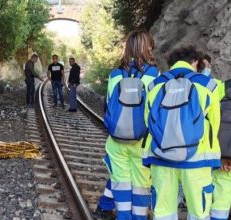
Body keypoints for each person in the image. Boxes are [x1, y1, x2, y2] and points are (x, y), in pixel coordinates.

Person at [143, 46, 221, 219]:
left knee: (163, 212)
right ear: (194, 62)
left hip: (160, 158)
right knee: (198, 212)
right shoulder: (208, 84)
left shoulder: (155, 85)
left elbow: (147, 120)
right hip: (197, 159)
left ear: (171, 64)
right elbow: (215, 123)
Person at [97, 30, 159, 220]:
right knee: (141, 185)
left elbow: (107, 105)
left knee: (121, 183)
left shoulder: (115, 74)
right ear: (147, 47)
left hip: (117, 141)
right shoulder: (154, 74)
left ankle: (123, 216)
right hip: (142, 142)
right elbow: (155, 110)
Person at [211, 82, 231, 220]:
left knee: (220, 200)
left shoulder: (219, 91)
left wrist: (223, 156)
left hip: (222, 158)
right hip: (225, 159)